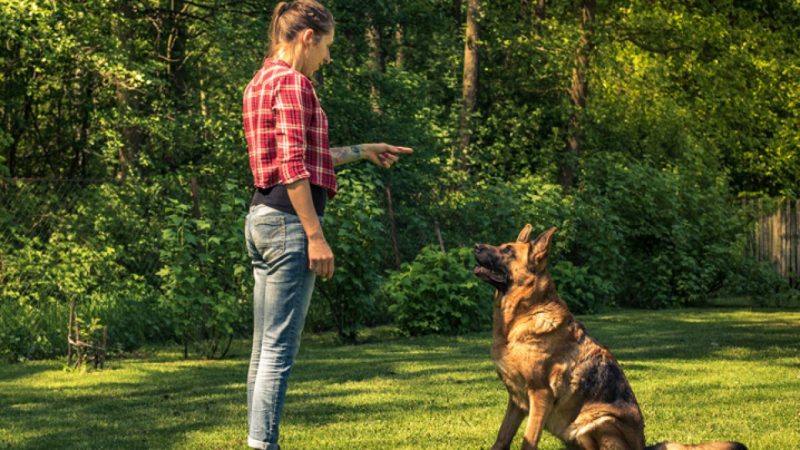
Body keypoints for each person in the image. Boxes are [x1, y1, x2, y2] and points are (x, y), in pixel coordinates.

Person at [241, 1, 412, 449]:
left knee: (263, 351)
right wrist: (315, 235)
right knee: (279, 352)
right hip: (288, 225)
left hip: (261, 218)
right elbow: (294, 167)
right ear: (307, 37)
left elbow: (304, 158)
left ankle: (258, 442)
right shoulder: (295, 84)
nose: (328, 58)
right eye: (328, 47)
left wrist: (364, 149)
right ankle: (263, 445)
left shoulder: (260, 82)